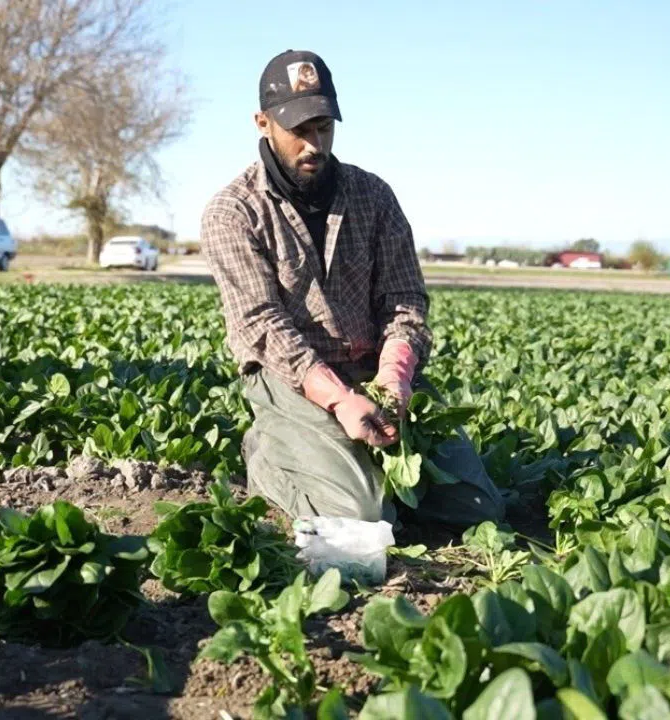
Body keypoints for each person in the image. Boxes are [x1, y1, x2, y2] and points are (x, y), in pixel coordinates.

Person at [201, 50, 505, 531]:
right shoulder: (234, 212)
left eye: (323, 127)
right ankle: (269, 453)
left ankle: (346, 465)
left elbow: (405, 300)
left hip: (371, 367)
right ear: (263, 123)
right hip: (291, 377)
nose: (313, 144)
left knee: (479, 511)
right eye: (298, 129)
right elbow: (262, 325)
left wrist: (394, 376)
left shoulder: (373, 196)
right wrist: (340, 399)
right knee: (361, 517)